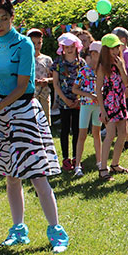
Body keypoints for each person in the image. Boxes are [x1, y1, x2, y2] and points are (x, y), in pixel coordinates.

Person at [0, 0, 68, 253]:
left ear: (12, 17)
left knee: (38, 176)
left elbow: (20, 87)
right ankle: (18, 230)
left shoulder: (24, 44)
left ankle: (56, 232)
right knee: (11, 176)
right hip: (2, 114)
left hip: (25, 112)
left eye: (4, 18)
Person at [97, 33, 128, 180]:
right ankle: (103, 168)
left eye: (117, 48)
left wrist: (122, 68)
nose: (116, 51)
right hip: (109, 103)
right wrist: (103, 110)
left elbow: (126, 82)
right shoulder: (102, 67)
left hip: (120, 101)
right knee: (110, 135)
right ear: (105, 50)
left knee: (123, 134)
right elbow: (98, 90)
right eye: (112, 48)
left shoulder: (119, 63)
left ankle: (115, 164)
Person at [52, 32, 83, 171]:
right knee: (65, 129)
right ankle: (65, 158)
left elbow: (85, 82)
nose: (69, 49)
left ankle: (76, 156)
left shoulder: (81, 62)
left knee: (77, 129)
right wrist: (64, 99)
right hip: (64, 101)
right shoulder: (58, 62)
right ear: (62, 48)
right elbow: (55, 83)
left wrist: (78, 99)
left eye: (72, 46)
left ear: (76, 47)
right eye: (66, 47)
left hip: (78, 101)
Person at [74, 39, 102, 178]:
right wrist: (89, 95)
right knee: (82, 135)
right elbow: (75, 89)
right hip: (86, 105)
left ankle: (100, 162)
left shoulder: (102, 70)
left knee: (97, 133)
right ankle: (77, 165)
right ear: (93, 54)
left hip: (98, 105)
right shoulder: (84, 71)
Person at [29, 28, 54, 120]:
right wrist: (32, 81)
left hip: (44, 94)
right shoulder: (25, 59)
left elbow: (54, 77)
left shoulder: (47, 59)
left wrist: (47, 80)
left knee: (45, 119)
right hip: (30, 95)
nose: (36, 46)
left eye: (39, 43)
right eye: (33, 43)